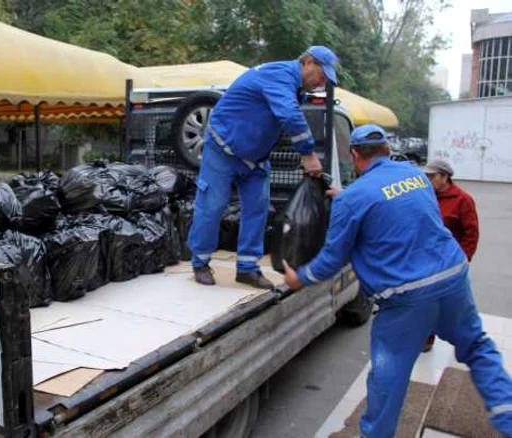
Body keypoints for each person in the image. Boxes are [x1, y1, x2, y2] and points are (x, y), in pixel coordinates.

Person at [282, 124, 512, 438]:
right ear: (388, 150)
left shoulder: (353, 200)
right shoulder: (417, 176)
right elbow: (395, 203)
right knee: (477, 347)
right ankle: (507, 415)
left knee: (388, 378)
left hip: (406, 298)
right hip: (453, 278)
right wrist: (349, 197)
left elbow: (332, 260)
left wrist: (300, 277)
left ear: (354, 155)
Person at [188, 46, 339, 288]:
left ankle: (247, 268)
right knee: (212, 206)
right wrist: (308, 154)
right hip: (222, 148)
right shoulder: (279, 75)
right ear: (308, 62)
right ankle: (200, 263)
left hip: (256, 158)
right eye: (322, 76)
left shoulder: (294, 86)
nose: (321, 84)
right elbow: (289, 115)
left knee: (258, 209)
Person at [422, 158, 480, 351]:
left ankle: (467, 341)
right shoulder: (425, 195)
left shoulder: (463, 200)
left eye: (431, 176)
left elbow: (471, 233)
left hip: (451, 263)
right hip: (427, 261)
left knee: (455, 305)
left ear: (444, 177)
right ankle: (426, 337)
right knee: (427, 301)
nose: (427, 179)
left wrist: (463, 260)